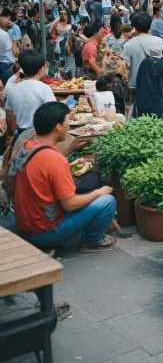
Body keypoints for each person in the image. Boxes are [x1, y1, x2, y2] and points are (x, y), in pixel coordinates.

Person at [8, 102, 117, 251]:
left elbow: (42, 176)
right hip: (43, 232)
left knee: (85, 190)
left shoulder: (29, 145)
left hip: (24, 225)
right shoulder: (54, 159)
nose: (68, 126)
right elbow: (70, 204)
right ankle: (91, 241)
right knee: (107, 200)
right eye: (67, 122)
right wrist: (99, 193)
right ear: (58, 127)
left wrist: (68, 167)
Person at [5, 51, 56, 143]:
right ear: (41, 70)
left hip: (20, 135)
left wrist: (14, 135)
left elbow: (10, 114)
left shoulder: (13, 90)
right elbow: (53, 113)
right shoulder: (44, 88)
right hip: (39, 135)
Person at [120, 11, 163, 115]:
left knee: (135, 114)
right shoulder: (159, 41)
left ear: (134, 27)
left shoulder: (129, 44)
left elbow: (123, 67)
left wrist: (124, 77)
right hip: (156, 84)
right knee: (155, 115)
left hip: (135, 86)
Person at [134, 41, 163, 119]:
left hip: (142, 101)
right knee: (156, 125)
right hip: (157, 102)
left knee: (143, 124)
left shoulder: (143, 62)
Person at [0, 8, 16, 85]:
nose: (9, 22)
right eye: (9, 19)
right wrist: (16, 61)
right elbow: (7, 54)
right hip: (4, 65)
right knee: (7, 88)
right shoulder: (4, 34)